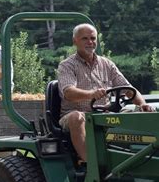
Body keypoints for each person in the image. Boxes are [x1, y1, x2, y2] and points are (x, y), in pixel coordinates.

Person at [58, 23, 154, 162]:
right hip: (78, 115)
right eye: (85, 38)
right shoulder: (67, 65)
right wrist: (91, 94)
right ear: (75, 41)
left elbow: (128, 89)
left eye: (93, 38)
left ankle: (141, 155)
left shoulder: (107, 64)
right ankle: (90, 163)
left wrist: (142, 104)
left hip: (105, 114)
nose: (90, 42)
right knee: (76, 117)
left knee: (140, 113)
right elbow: (69, 92)